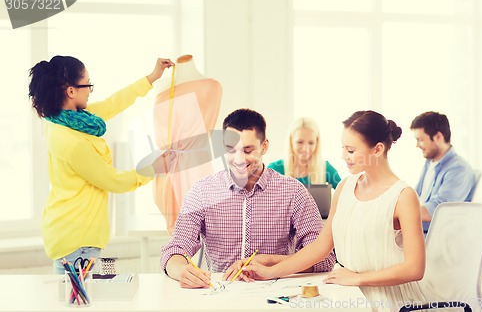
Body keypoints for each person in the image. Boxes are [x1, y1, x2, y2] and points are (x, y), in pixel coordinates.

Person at [244, 110, 426, 311]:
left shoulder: (404, 196)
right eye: (343, 148)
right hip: (350, 292)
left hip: (391, 301)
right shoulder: (345, 187)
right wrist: (271, 271)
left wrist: (358, 278)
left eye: (350, 150)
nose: (343, 156)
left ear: (377, 149)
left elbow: (415, 268)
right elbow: (321, 246)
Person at [28, 55, 174, 274]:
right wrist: (152, 169)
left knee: (79, 305)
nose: (90, 90)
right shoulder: (71, 142)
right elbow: (112, 180)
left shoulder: (67, 119)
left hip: (71, 235)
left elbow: (112, 103)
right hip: (77, 241)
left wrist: (152, 77)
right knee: (81, 306)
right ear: (71, 91)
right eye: (88, 85)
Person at [160, 108, 335, 289]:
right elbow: (175, 250)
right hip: (220, 295)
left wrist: (271, 263)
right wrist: (181, 270)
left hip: (277, 296)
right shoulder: (202, 192)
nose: (239, 159)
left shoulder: (293, 192)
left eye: (248, 150)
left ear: (264, 146)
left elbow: (324, 259)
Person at [153, 54, 222, 234]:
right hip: (167, 165)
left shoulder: (211, 86)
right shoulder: (162, 85)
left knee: (200, 229)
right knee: (176, 236)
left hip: (195, 165)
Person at [410, 111, 476, 234]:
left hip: (434, 238)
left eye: (420, 139)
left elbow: (438, 210)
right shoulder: (430, 163)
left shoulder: (459, 169)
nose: (417, 145)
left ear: (438, 137)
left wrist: (402, 213)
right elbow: (416, 195)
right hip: (420, 231)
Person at [267, 117, 341, 187]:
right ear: (291, 142)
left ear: (317, 143)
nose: (305, 148)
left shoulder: (325, 168)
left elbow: (347, 194)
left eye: (311, 143)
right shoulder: (274, 169)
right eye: (300, 142)